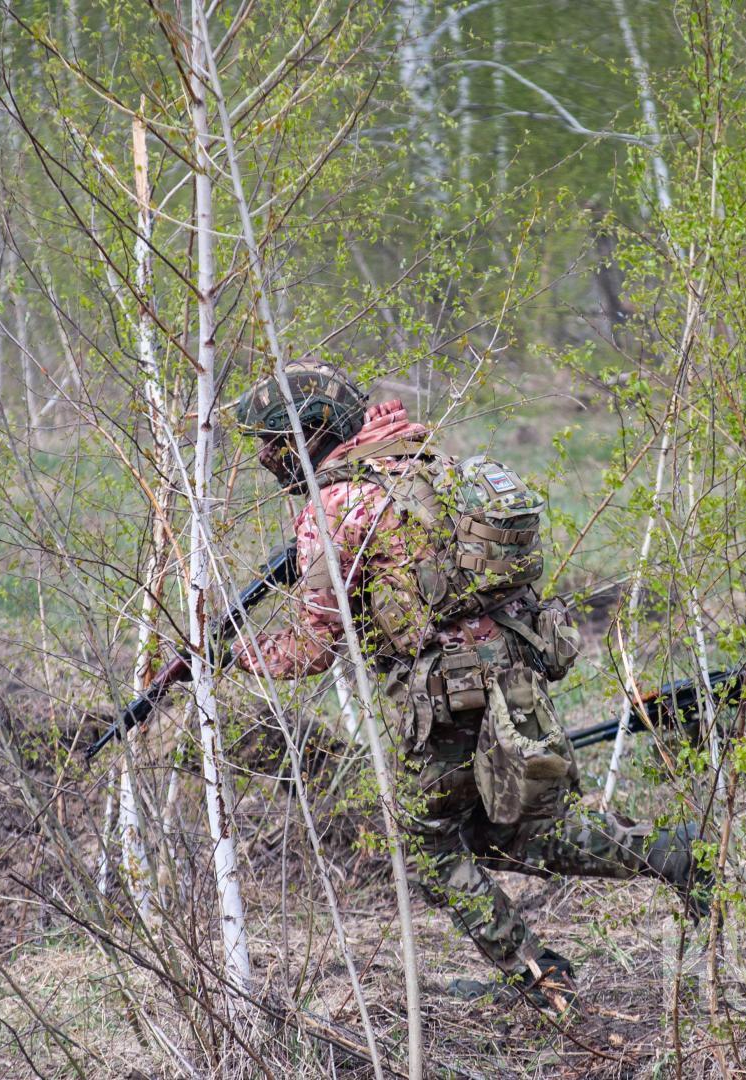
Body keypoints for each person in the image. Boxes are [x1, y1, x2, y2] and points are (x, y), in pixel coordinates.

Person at [227, 360, 706, 1014]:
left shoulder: (336, 503)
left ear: (312, 431)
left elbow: (313, 647)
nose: (265, 456)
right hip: (513, 671)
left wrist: (236, 654)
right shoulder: (425, 462)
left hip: (445, 696)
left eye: (273, 441)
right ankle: (669, 856)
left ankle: (537, 978)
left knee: (428, 849)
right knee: (513, 831)